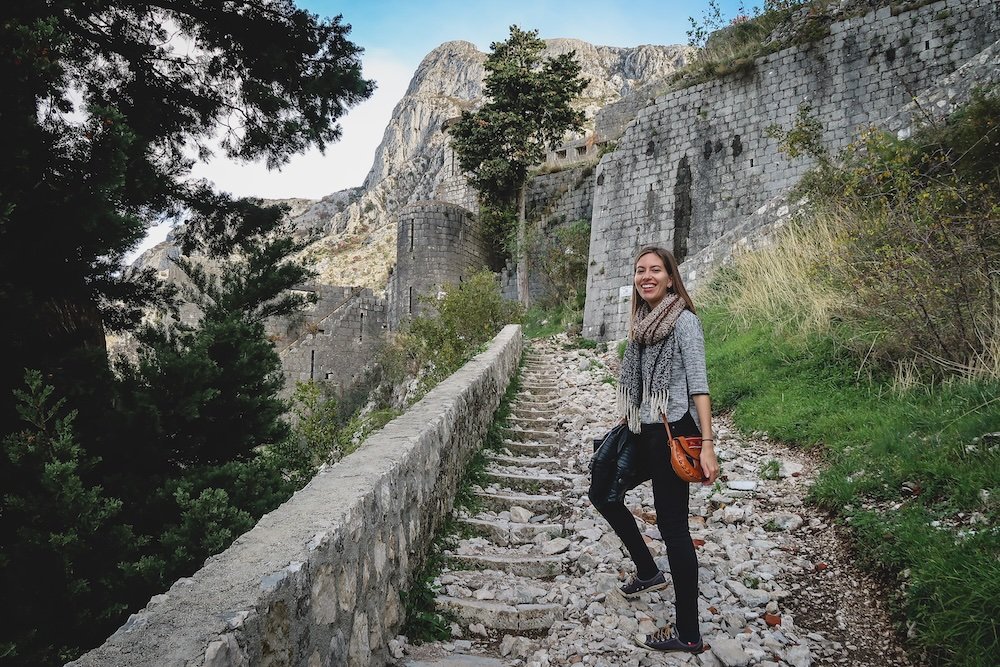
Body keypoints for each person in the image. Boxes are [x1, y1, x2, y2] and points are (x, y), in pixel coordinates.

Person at [593, 245, 720, 653]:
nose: (646, 276)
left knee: (673, 527)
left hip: (672, 432)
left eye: (654, 270)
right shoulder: (642, 323)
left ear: (669, 277)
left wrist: (708, 445)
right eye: (639, 270)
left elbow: (699, 385)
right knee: (601, 492)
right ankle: (648, 571)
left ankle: (689, 633)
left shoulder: (683, 321)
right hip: (638, 429)